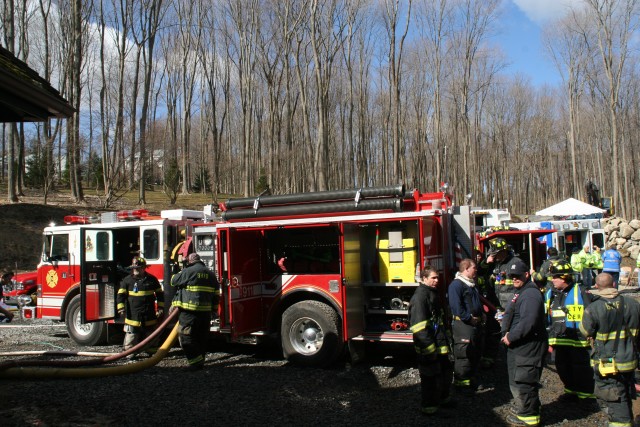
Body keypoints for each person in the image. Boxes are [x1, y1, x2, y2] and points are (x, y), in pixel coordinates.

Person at [580, 273, 640, 427]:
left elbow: (585, 331)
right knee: (626, 390)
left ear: (597, 288)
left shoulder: (594, 308)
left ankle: (621, 422)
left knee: (614, 397)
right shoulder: (633, 304)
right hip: (630, 359)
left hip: (608, 362)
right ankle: (628, 418)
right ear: (614, 285)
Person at [500, 259, 547, 427]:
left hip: (528, 346)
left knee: (525, 380)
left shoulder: (530, 295)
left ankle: (529, 416)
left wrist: (511, 337)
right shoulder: (521, 291)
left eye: (517, 276)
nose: (514, 279)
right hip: (519, 346)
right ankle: (524, 407)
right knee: (518, 378)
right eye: (511, 276)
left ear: (526, 274)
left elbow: (528, 322)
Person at [544, 259, 594, 400]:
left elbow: (593, 313)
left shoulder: (581, 291)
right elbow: (546, 316)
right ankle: (570, 391)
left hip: (579, 341)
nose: (552, 280)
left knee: (581, 368)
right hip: (559, 340)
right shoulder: (550, 294)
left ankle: (586, 396)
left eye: (555, 277)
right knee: (562, 368)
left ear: (564, 277)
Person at [408, 267, 453, 415]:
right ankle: (429, 408)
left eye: (438, 278)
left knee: (444, 373)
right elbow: (419, 327)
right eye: (433, 278)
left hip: (440, 344)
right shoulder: (420, 298)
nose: (437, 281)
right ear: (424, 278)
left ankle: (443, 399)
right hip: (430, 347)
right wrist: (429, 349)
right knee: (430, 378)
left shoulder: (432, 293)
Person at [170, 253, 220, 370]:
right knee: (200, 338)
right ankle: (200, 361)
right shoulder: (211, 274)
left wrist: (182, 268)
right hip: (205, 313)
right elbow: (216, 295)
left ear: (190, 261)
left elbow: (173, 281)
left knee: (185, 337)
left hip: (189, 312)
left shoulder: (188, 271)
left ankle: (195, 363)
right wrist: (214, 310)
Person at [448, 258, 484, 390]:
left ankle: (471, 380)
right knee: (464, 354)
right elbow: (456, 307)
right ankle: (462, 384)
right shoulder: (456, 285)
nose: (476, 270)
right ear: (466, 269)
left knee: (474, 353)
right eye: (474, 267)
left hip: (474, 324)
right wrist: (469, 318)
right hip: (463, 325)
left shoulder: (470, 284)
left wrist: (481, 315)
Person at [116, 257, 164, 355]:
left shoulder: (151, 280)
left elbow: (160, 295)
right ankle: (129, 353)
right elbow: (120, 296)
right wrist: (121, 309)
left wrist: (160, 308)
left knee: (151, 334)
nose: (136, 270)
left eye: (138, 268)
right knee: (132, 335)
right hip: (133, 315)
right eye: (134, 268)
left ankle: (151, 352)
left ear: (144, 268)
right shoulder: (127, 281)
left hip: (148, 313)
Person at [481, 237, 525, 310]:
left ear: (503, 252)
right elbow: (479, 272)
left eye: (495, 254)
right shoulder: (494, 263)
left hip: (511, 306)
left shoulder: (516, 263)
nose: (493, 256)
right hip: (496, 304)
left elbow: (523, 285)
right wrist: (486, 262)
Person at [476, 251, 501, 369]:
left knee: (493, 331)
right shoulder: (482, 267)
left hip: (494, 303)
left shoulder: (500, 266)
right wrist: (486, 261)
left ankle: (489, 357)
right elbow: (479, 272)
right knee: (484, 332)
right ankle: (483, 357)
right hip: (485, 303)